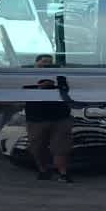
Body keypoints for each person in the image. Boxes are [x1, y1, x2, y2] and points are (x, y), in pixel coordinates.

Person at [24, 54, 74, 182]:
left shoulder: (60, 76)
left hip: (60, 117)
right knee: (37, 147)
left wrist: (56, 83)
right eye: (44, 62)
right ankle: (43, 170)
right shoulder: (27, 76)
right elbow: (22, 93)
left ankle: (63, 173)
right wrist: (41, 87)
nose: (46, 65)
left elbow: (67, 92)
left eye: (50, 63)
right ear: (36, 63)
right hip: (36, 118)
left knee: (61, 147)